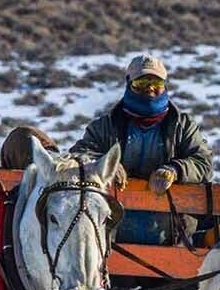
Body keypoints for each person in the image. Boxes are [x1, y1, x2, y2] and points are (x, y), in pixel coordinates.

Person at [71, 55, 212, 194]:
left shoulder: (183, 125)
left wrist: (175, 170)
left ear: (165, 86)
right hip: (112, 212)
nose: (150, 88)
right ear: (129, 84)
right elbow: (79, 154)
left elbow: (203, 162)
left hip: (172, 212)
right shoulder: (104, 126)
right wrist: (107, 164)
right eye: (142, 83)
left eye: (157, 83)